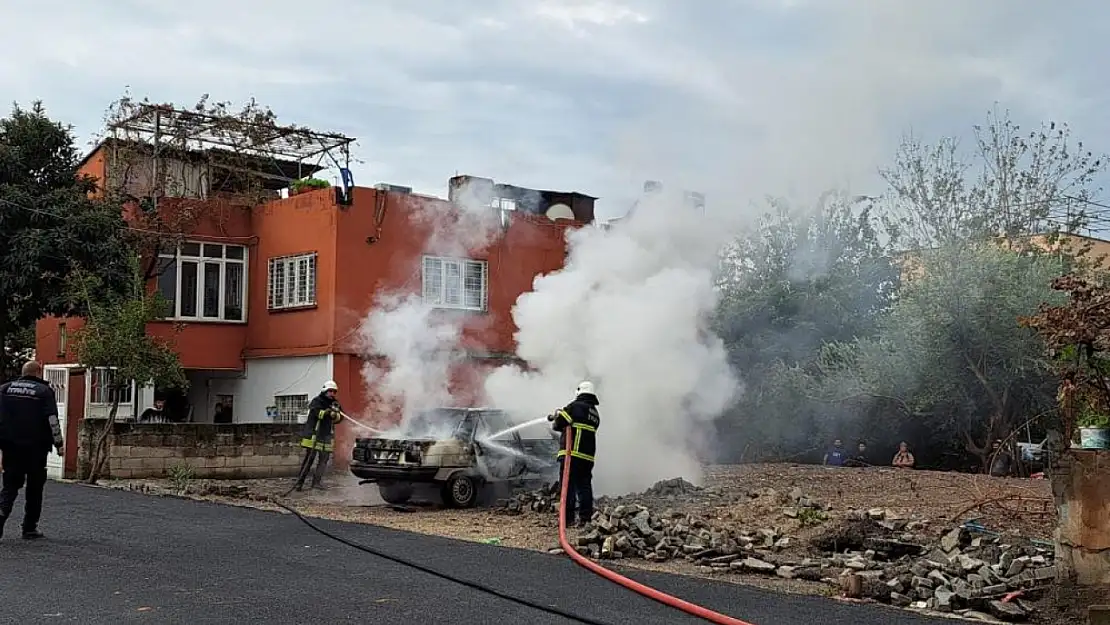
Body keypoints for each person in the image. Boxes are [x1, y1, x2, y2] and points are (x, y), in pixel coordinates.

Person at [0, 361, 65, 539]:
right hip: (36, 448)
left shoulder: (5, 389)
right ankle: (29, 527)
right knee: (35, 488)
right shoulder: (44, 392)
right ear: (38, 372)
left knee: (10, 485)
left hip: (10, 447)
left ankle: (1, 513)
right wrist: (59, 444)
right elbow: (52, 420)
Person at [548, 380, 600, 528]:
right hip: (587, 457)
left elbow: (559, 424)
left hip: (572, 454)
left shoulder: (575, 407)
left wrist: (557, 415)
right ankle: (585, 519)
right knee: (585, 486)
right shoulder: (594, 413)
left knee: (567, 487)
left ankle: (567, 520)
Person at [294, 381, 343, 491]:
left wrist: (336, 415)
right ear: (325, 390)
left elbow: (340, 418)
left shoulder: (335, 403)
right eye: (330, 391)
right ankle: (299, 483)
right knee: (309, 460)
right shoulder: (317, 401)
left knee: (323, 460)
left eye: (334, 392)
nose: (332, 393)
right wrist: (326, 412)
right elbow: (317, 413)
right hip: (313, 435)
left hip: (326, 436)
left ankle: (316, 482)